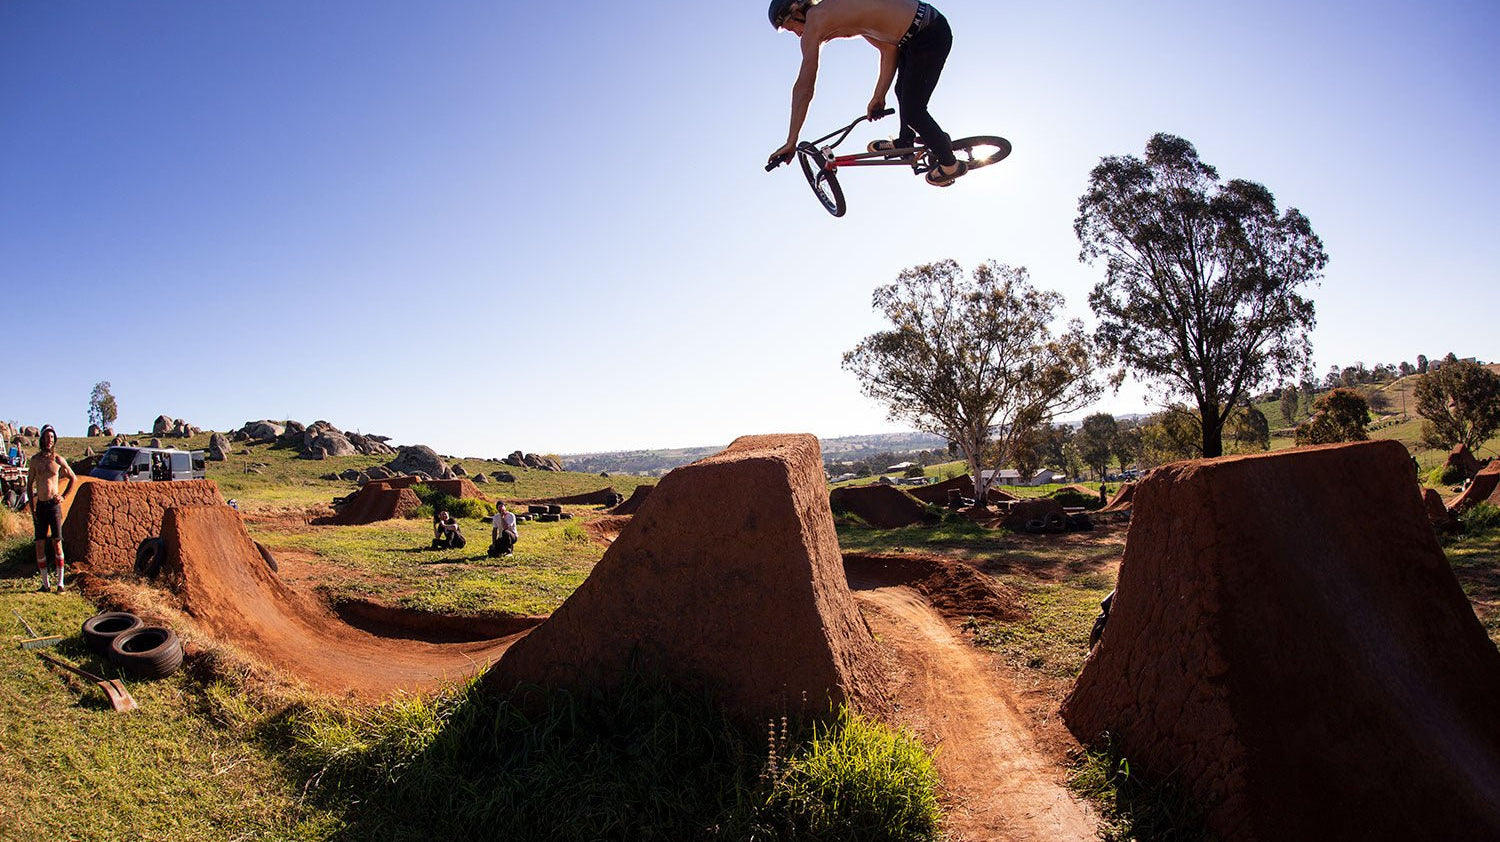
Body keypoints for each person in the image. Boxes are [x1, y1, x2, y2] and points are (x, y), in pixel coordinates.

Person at [766, 0, 967, 187]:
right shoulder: (843, 12)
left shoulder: (815, 19)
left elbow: (804, 87)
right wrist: (879, 96)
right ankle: (907, 140)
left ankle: (950, 165)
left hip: (928, 34)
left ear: (796, 11)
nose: (797, 34)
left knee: (913, 112)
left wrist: (791, 140)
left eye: (791, 28)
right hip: (916, 36)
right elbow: (888, 49)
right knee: (902, 92)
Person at [26, 425, 76, 593]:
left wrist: (63, 496)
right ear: (42, 439)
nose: (49, 440)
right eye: (47, 437)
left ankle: (60, 584)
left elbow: (73, 478)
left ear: (55, 440)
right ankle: (45, 585)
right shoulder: (35, 460)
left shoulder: (58, 460)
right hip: (40, 506)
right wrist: (32, 509)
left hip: (54, 506)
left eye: (52, 438)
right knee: (39, 544)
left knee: (57, 542)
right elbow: (29, 485)